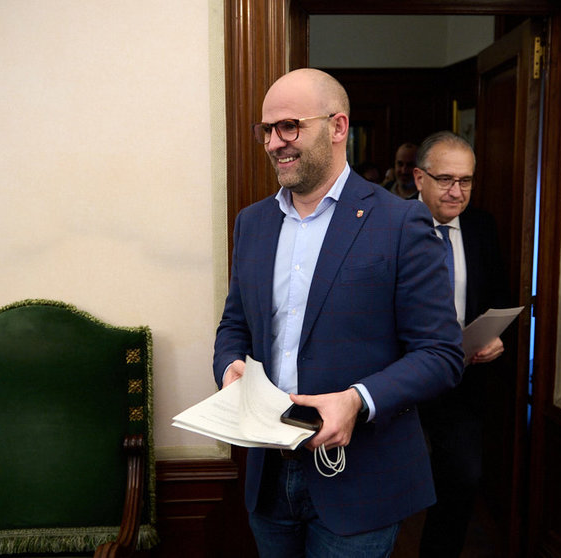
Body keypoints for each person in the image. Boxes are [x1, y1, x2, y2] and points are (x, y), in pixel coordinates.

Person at [213, 69, 464, 558]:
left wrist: (357, 400)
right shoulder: (253, 223)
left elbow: (440, 354)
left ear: (338, 127)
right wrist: (229, 367)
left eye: (289, 126)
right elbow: (234, 325)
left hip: (361, 479)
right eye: (266, 130)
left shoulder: (400, 221)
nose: (274, 143)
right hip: (269, 477)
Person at [412, 131, 512, 558]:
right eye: (446, 179)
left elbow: (498, 296)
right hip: (400, 380)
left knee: (462, 479)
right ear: (419, 179)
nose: (457, 192)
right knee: (395, 485)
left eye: (466, 181)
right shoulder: (385, 226)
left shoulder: (481, 226)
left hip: (462, 377)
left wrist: (496, 339)